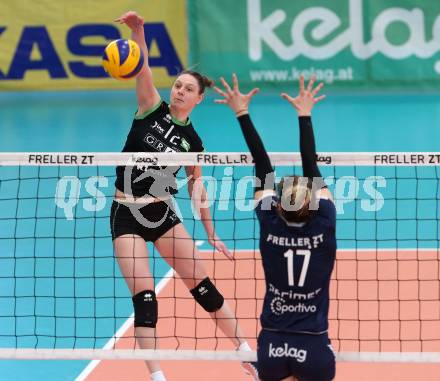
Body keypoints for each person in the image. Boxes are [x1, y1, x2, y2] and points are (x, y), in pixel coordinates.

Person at [111, 12, 253, 381]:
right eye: (177, 85)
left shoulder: (194, 143)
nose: (179, 91)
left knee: (203, 287)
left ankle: (246, 351)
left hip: (163, 215)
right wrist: (138, 30)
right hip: (125, 213)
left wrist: (210, 232)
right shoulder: (150, 109)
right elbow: (142, 68)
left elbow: (196, 187)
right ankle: (158, 376)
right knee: (145, 300)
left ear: (199, 99)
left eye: (188, 89)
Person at [214, 74, 336, 381]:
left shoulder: (271, 226)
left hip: (271, 346)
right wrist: (304, 114)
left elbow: (263, 166)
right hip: (314, 344)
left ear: (278, 205)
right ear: (314, 204)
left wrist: (241, 113)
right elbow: (312, 167)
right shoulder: (324, 224)